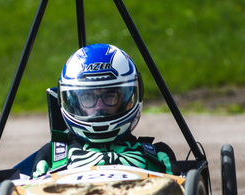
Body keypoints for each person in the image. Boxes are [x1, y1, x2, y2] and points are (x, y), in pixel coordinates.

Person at [31, 43, 174, 178]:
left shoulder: (158, 156)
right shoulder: (51, 158)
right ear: (72, 102)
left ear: (128, 99)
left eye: (110, 96)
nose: (99, 107)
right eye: (88, 97)